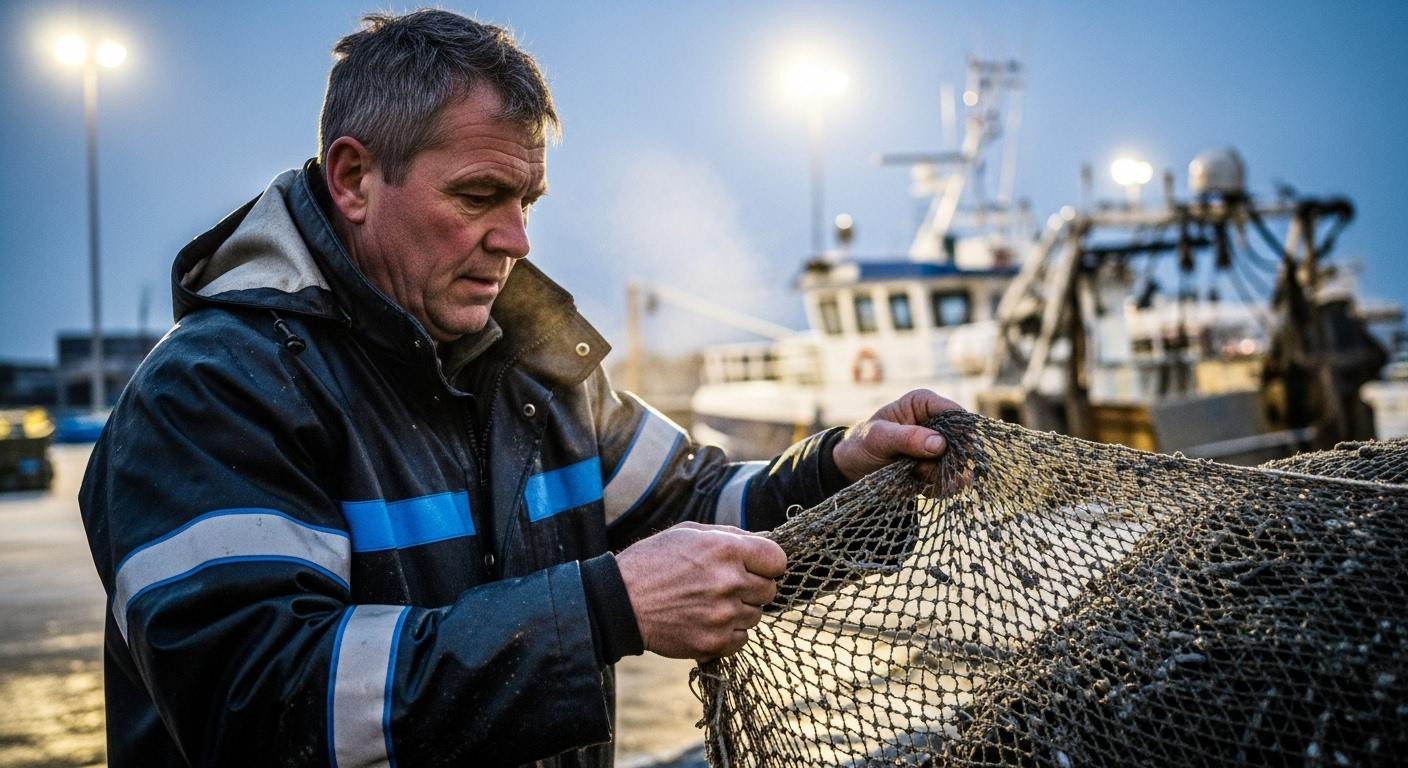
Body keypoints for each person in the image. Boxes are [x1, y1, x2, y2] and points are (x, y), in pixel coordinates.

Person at [78, 9, 960, 767]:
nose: (517, 240)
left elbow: (695, 506)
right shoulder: (210, 395)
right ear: (353, 178)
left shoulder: (540, 368)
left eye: (527, 200)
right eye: (478, 195)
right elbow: (259, 705)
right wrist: (605, 607)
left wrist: (846, 468)